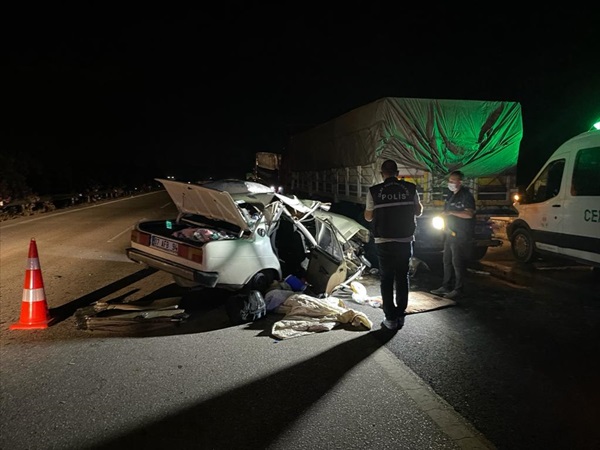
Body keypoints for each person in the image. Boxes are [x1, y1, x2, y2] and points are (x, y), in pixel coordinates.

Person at [364, 159, 423, 331]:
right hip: (405, 239)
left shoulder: (374, 191)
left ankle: (390, 318)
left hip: (384, 241)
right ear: (397, 174)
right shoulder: (410, 188)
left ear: (382, 174)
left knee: (387, 278)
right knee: (402, 276)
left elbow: (368, 217)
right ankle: (400, 314)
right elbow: (418, 211)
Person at [430, 170, 476, 300]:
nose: (449, 183)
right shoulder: (451, 195)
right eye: (449, 181)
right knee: (447, 260)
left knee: (457, 262)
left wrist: (451, 212)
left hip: (461, 234)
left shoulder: (466, 196)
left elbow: (469, 214)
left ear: (459, 182)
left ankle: (458, 289)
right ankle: (446, 286)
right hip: (450, 233)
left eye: (452, 181)